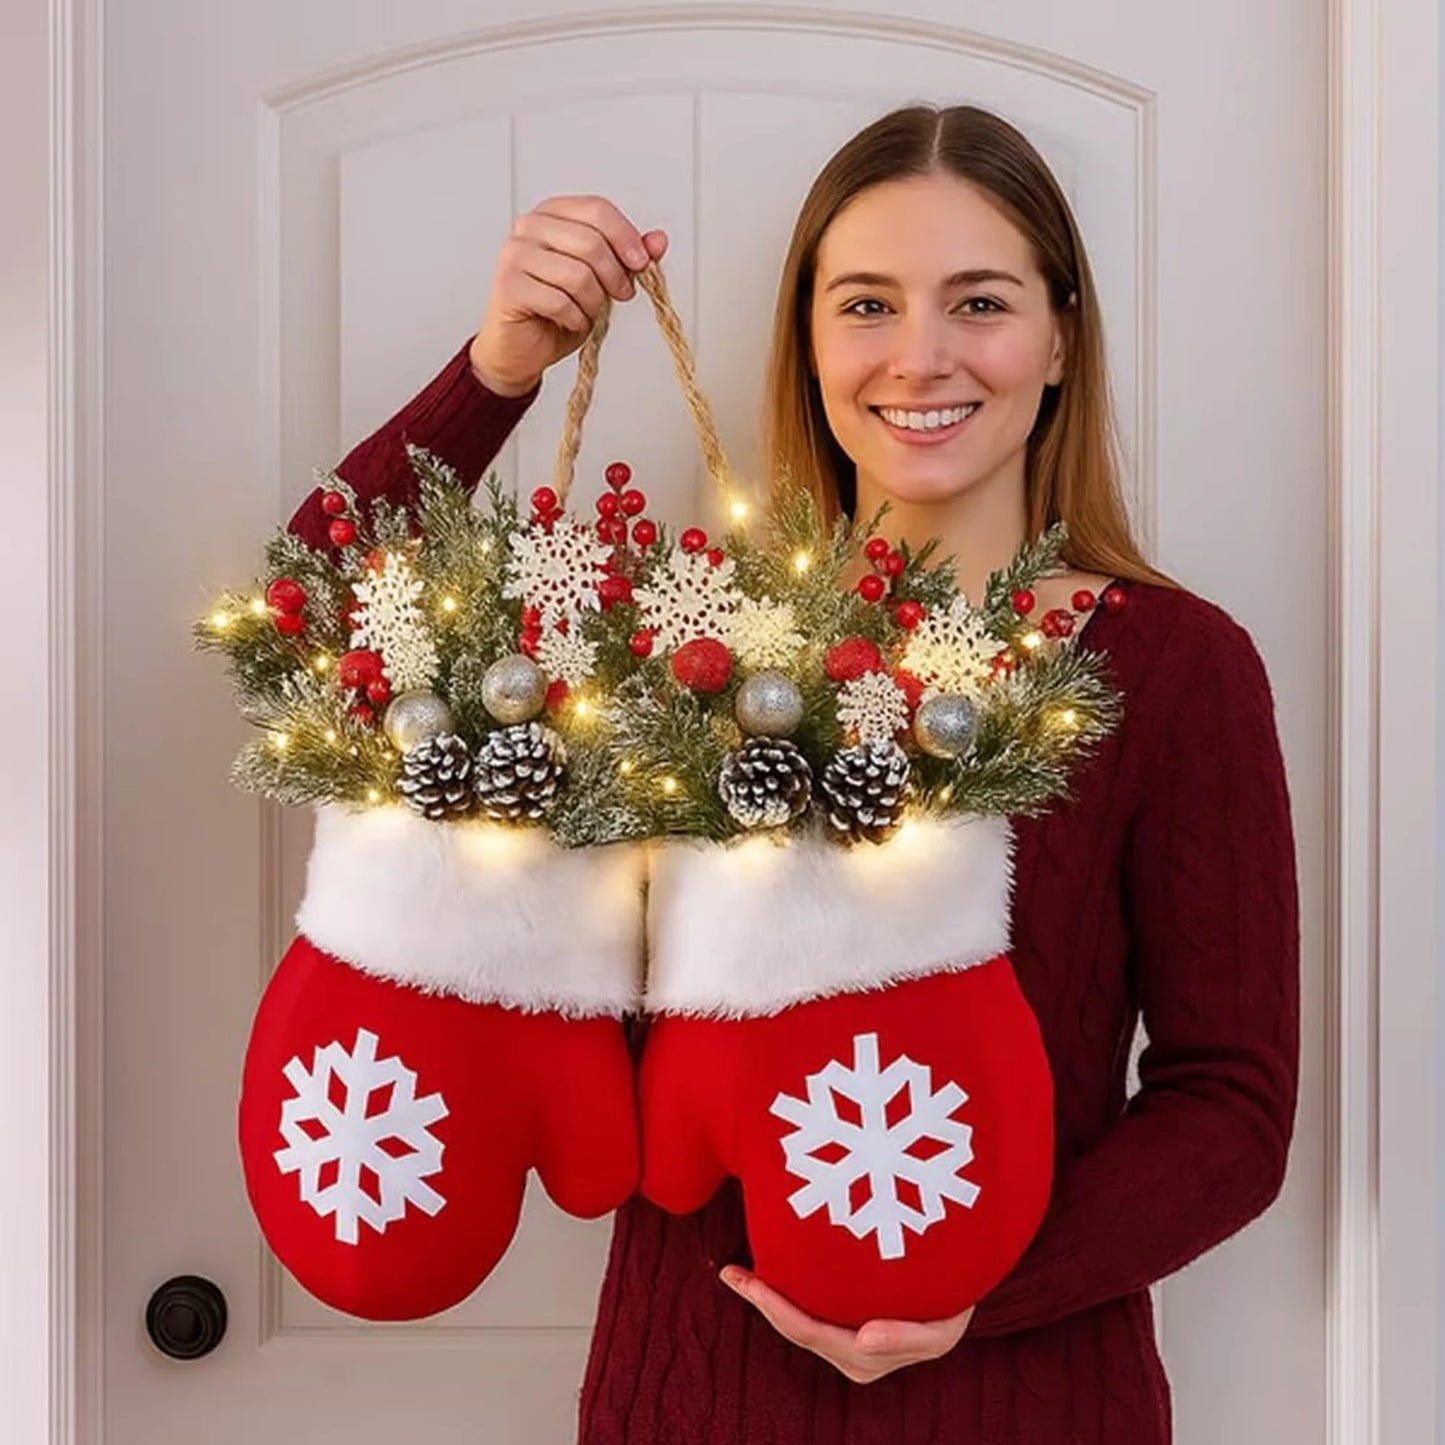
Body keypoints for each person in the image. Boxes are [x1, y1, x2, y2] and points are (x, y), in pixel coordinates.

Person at [287, 103, 1300, 1445]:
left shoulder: (1167, 666)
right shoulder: (683, 644)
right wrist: (498, 370)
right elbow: (315, 611)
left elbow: (1229, 1105)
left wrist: (974, 1294)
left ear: (1059, 335)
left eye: (979, 301)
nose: (920, 355)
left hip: (1025, 1406)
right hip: (685, 1402)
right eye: (866, 303)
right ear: (810, 342)